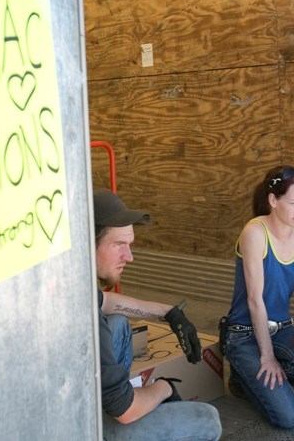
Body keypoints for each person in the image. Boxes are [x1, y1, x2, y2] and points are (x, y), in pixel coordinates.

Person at [92, 188, 222, 441]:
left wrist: (170, 313)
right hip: (73, 424)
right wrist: (163, 387)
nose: (128, 257)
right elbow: (126, 412)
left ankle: (117, 396)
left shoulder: (70, 279)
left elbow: (107, 302)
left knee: (118, 323)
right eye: (119, 244)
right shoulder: (84, 319)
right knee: (207, 420)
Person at [222, 165, 294, 429]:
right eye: (293, 203)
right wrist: (267, 356)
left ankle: (252, 382)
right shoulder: (255, 232)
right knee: (289, 418)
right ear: (273, 200)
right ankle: (246, 374)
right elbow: (254, 300)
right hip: (244, 333)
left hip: (282, 327)